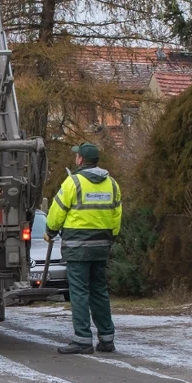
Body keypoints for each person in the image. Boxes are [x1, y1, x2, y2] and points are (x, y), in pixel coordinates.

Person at [45, 142, 122, 355]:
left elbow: (57, 211)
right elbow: (116, 215)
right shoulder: (112, 184)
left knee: (79, 292)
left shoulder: (74, 182)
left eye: (76, 156)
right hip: (101, 246)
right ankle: (107, 339)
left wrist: (50, 231)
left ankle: (82, 340)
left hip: (77, 246)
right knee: (99, 290)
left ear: (80, 160)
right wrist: (111, 237)